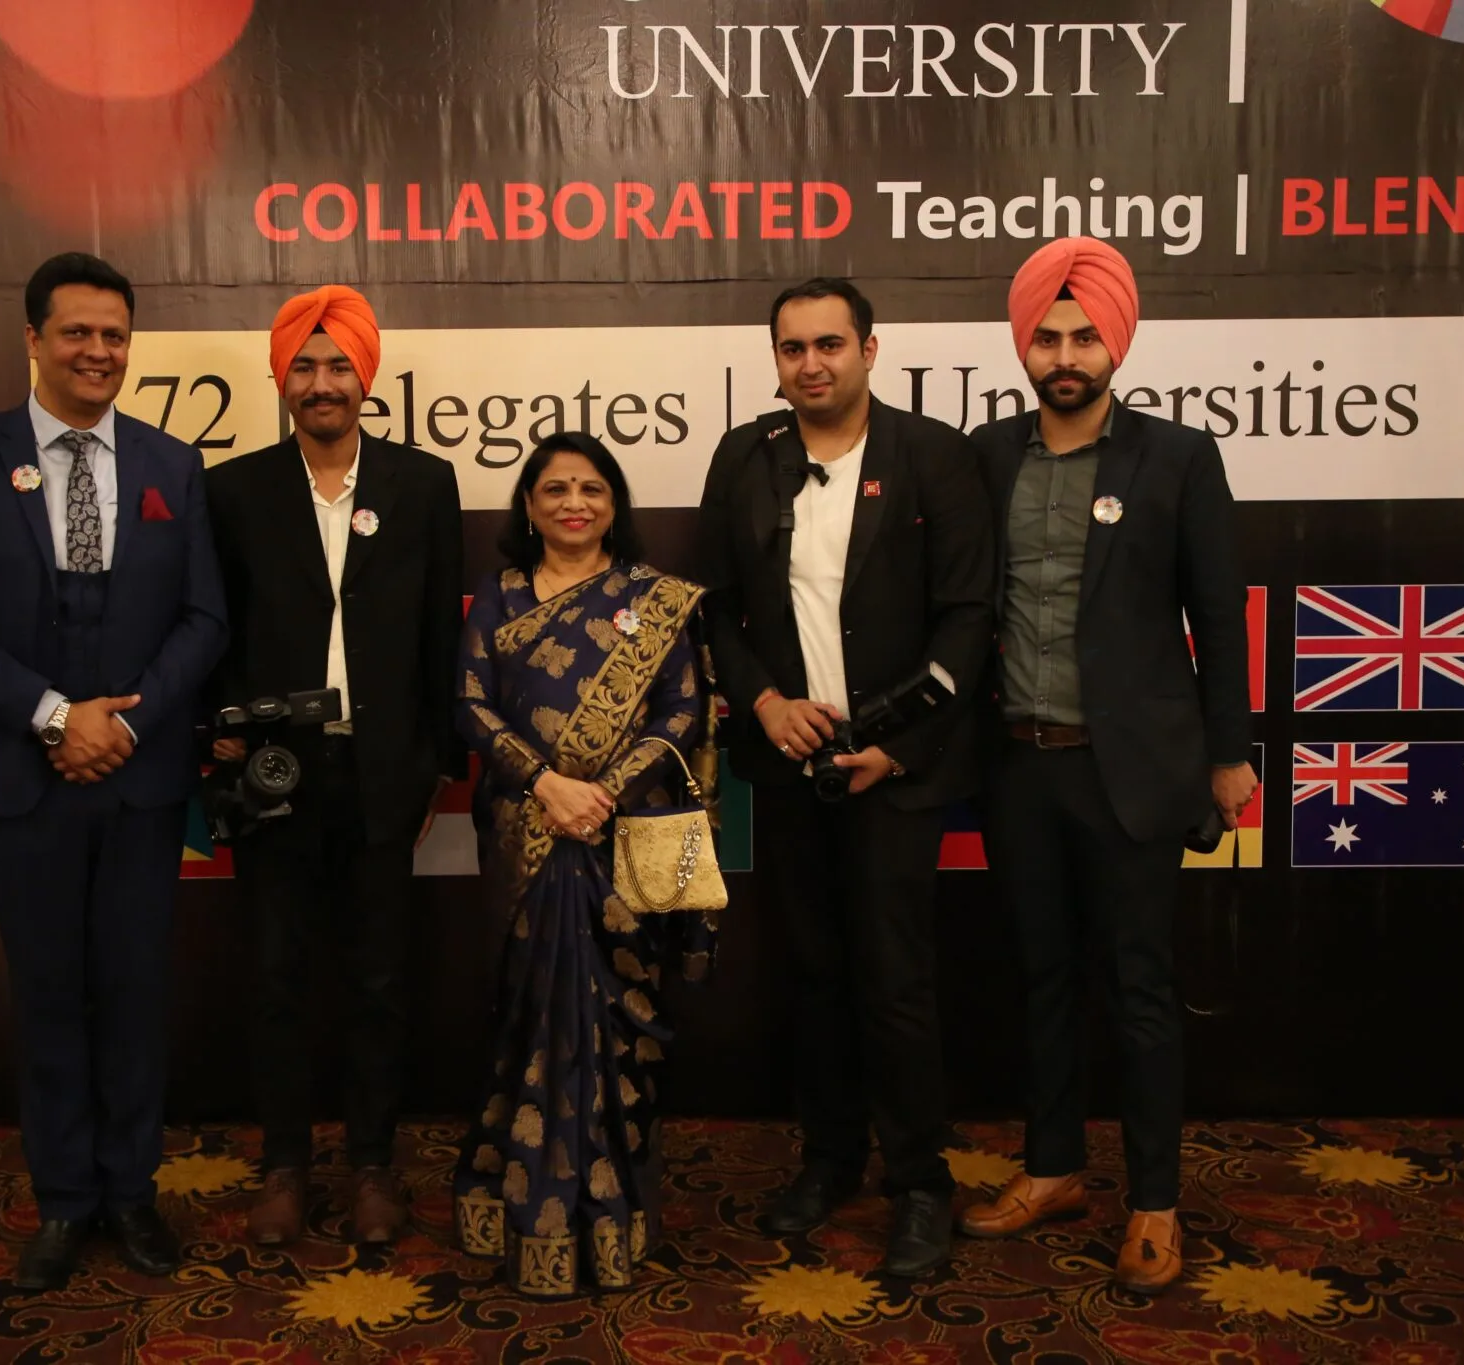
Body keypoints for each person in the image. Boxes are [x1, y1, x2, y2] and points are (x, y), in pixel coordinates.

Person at [0, 252, 227, 1290]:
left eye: (114, 336)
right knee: (47, 993)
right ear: (33, 340)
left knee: (132, 992)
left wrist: (124, 725)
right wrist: (54, 716)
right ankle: (63, 1201)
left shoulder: (173, 467)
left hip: (136, 776)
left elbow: (204, 618)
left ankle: (130, 1195)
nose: (98, 352)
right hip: (15, 776)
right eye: (77, 333)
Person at [958, 238, 1255, 1295]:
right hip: (1018, 766)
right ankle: (1050, 1172)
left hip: (1131, 771)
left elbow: (1217, 620)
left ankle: (1153, 1205)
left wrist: (1228, 756)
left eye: (1083, 334)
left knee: (1136, 991)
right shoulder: (984, 456)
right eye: (1047, 335)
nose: (1064, 353)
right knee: (1038, 979)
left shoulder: (1176, 458)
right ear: (1022, 344)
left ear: (1115, 339)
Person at [694, 278, 996, 1277]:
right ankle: (827, 1160)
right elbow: (715, 611)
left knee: (893, 983)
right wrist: (767, 703)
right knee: (814, 977)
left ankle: (918, 1185)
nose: (810, 363)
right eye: (791, 348)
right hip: (787, 769)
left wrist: (898, 743)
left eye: (829, 344)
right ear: (774, 359)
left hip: (895, 772)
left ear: (870, 349)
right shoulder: (745, 458)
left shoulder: (933, 457)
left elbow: (965, 616)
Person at [205, 285, 464, 1246]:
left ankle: (371, 1166)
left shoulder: (421, 484)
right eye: (305, 366)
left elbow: (443, 632)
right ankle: (282, 1165)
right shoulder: (232, 490)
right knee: (275, 977)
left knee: (380, 981)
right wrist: (218, 727)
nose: (322, 384)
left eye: (338, 366)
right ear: (282, 377)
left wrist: (435, 763)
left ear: (367, 375)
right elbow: (212, 627)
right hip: (272, 777)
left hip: (386, 776)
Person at [450, 431, 719, 1299]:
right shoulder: (497, 598)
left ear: (615, 505)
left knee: (614, 1021)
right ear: (528, 505)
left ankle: (613, 1206)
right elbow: (470, 706)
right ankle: (517, 1195)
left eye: (593, 489)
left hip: (620, 833)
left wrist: (600, 791)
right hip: (526, 835)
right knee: (530, 1020)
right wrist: (547, 784)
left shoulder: (658, 601)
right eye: (555, 488)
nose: (575, 502)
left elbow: (683, 710)